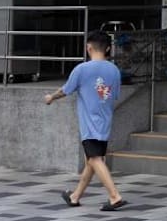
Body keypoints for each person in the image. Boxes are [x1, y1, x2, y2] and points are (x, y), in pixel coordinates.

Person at [44, 30, 127, 211]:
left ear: (88, 47)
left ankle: (114, 196)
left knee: (95, 159)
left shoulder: (82, 70)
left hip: (90, 124)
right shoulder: (114, 70)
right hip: (105, 122)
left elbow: (65, 90)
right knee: (91, 160)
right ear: (107, 48)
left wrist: (51, 97)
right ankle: (75, 196)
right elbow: (115, 95)